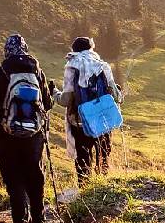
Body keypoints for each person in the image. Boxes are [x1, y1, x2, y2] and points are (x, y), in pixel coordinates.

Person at [0, 34, 52, 223]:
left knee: (13, 177)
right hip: (34, 135)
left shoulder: (1, 72)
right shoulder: (37, 72)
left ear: (7, 51)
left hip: (7, 134)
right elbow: (46, 104)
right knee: (35, 176)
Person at [50, 37, 123, 186]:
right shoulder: (103, 66)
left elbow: (65, 100)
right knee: (103, 157)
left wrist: (54, 92)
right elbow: (116, 97)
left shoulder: (71, 66)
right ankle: (103, 189)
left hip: (80, 122)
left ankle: (85, 191)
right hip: (103, 120)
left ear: (74, 50)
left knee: (83, 160)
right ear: (91, 49)